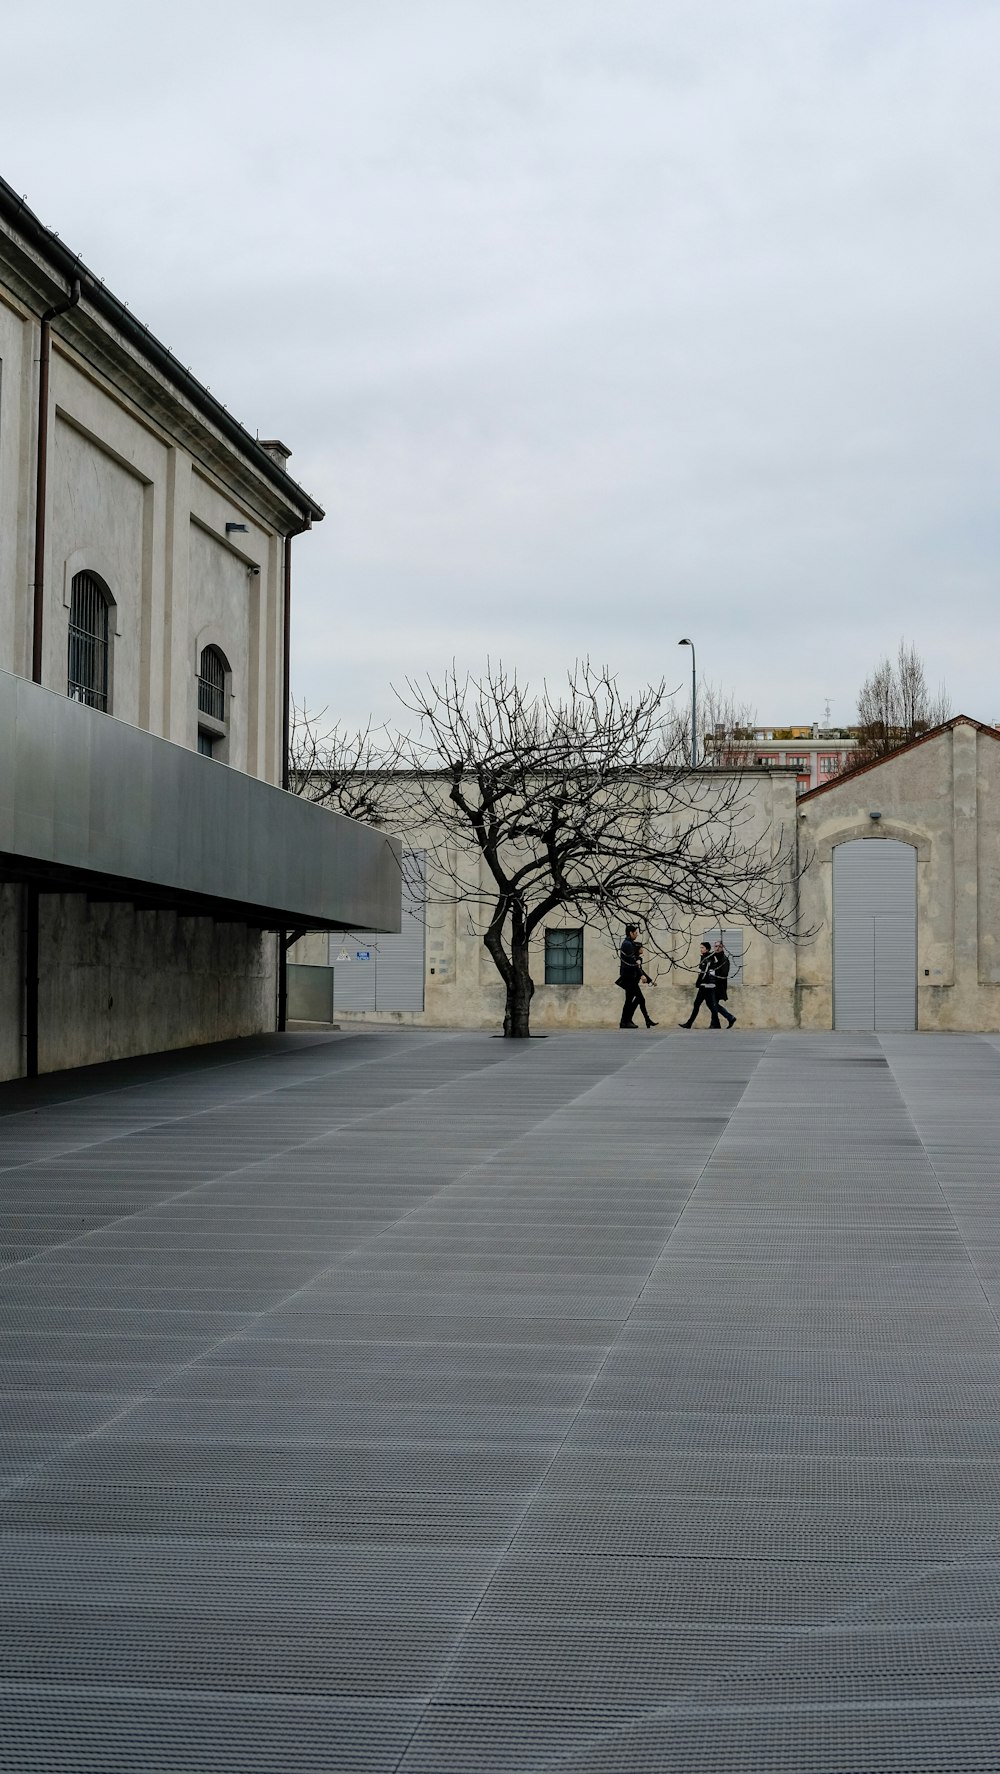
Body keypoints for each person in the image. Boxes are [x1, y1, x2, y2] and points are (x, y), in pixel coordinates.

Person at [678, 940, 721, 1029]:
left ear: (707, 949)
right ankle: (717, 1024)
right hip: (709, 985)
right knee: (711, 1005)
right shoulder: (708, 957)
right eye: (700, 947)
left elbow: (703, 973)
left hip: (706, 985)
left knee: (697, 1004)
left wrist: (698, 983)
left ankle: (689, 1024)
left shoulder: (707, 958)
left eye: (702, 948)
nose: (700, 949)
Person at [618, 924, 652, 1029]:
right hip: (629, 977)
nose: (637, 934)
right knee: (639, 998)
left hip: (630, 976)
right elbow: (633, 961)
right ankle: (627, 1020)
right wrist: (641, 975)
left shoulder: (629, 943)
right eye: (635, 933)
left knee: (630, 999)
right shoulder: (627, 944)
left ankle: (625, 1021)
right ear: (630, 933)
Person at [712, 938, 737, 1029]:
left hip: (719, 986)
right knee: (713, 1004)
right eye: (716, 946)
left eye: (720, 946)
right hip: (712, 985)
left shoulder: (724, 959)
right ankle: (715, 1024)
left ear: (723, 948)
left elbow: (724, 974)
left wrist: (714, 975)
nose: (717, 948)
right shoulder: (712, 957)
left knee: (713, 1004)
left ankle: (729, 1017)